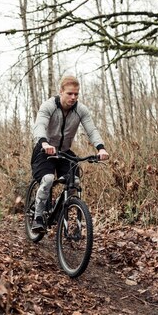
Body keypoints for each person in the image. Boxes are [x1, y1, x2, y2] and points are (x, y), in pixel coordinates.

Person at [30, 75, 109, 233]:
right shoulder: (49, 106)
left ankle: (60, 208)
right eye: (70, 93)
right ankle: (38, 218)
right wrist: (44, 143)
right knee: (47, 179)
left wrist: (100, 148)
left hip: (65, 152)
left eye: (76, 94)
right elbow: (40, 125)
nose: (73, 97)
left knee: (75, 182)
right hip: (44, 150)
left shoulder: (81, 110)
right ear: (61, 92)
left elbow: (91, 130)